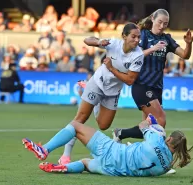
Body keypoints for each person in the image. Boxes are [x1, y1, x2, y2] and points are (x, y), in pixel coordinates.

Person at [42, 22, 145, 166]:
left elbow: (129, 80)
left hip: (113, 91)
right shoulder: (113, 44)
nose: (136, 40)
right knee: (79, 119)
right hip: (98, 82)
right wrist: (98, 41)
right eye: (133, 36)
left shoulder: (138, 55)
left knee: (103, 125)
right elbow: (87, 40)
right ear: (124, 36)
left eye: (138, 37)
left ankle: (95, 102)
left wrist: (111, 68)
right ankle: (62, 155)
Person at [111, 9, 193, 174]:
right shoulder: (142, 36)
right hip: (142, 85)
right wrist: (153, 47)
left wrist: (189, 43)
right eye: (159, 22)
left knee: (148, 128)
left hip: (156, 88)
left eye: (165, 23)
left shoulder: (167, 39)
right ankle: (125, 136)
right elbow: (133, 56)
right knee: (160, 120)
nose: (162, 26)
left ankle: (127, 140)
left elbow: (185, 55)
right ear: (153, 20)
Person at [22, 114, 193, 176]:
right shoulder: (165, 167)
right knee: (84, 163)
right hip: (113, 171)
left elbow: (142, 127)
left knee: (75, 126)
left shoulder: (157, 140)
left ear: (169, 140)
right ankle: (63, 168)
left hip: (112, 151)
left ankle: (44, 149)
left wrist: (150, 121)